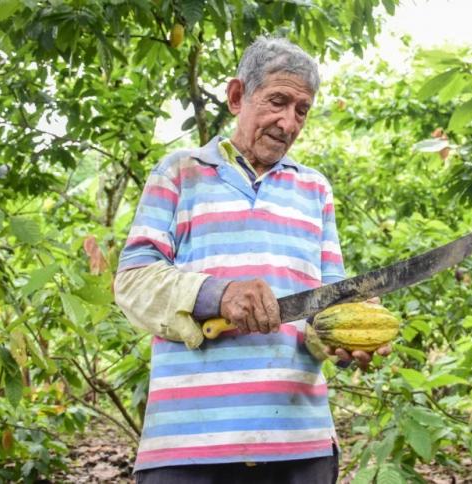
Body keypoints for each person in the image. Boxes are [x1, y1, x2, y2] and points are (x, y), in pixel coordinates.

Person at [114, 36, 388, 483]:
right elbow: (132, 283)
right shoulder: (179, 172)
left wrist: (345, 337)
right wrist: (218, 295)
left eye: (302, 110)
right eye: (278, 101)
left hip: (298, 446)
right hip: (187, 448)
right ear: (238, 96)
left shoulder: (314, 189)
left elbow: (325, 309)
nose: (289, 122)